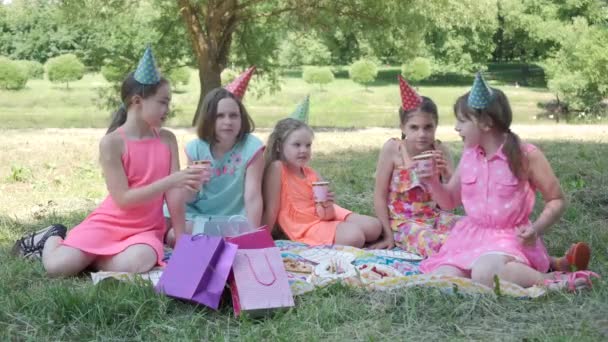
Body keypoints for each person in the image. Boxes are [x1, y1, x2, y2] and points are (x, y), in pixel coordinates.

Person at [12, 47, 203, 277]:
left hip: (145, 229)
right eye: (163, 102)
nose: (167, 109)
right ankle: (53, 235)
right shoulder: (112, 143)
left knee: (140, 260)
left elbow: (173, 196)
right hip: (108, 223)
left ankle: (88, 258)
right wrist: (171, 180)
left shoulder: (167, 139)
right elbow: (123, 199)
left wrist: (182, 241)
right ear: (137, 101)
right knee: (56, 268)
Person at [419, 73, 598, 291]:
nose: (456, 127)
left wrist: (537, 229)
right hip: (470, 238)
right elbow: (449, 202)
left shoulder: (526, 155)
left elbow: (556, 200)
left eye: (462, 120)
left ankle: (553, 282)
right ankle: (553, 266)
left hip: (510, 239)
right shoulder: (470, 154)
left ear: (486, 123)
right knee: (441, 279)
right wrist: (432, 182)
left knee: (485, 273)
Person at [163, 84, 264, 243]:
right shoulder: (196, 148)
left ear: (241, 118)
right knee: (166, 226)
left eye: (233, 115)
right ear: (209, 119)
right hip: (198, 214)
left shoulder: (251, 148)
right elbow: (190, 198)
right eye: (220, 116)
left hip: (231, 218)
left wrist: (252, 236)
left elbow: (253, 196)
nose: (228, 121)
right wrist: (194, 184)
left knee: (175, 237)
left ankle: (214, 240)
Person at [372, 75, 459, 254]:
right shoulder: (393, 149)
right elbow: (379, 196)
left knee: (473, 229)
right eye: (414, 127)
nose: (422, 134)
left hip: (435, 217)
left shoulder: (440, 149)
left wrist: (448, 174)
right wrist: (387, 235)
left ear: (436, 126)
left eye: (428, 127)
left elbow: (451, 203)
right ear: (403, 127)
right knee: (438, 244)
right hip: (403, 223)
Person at [262, 118, 382, 247]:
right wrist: (261, 237)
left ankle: (340, 231)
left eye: (308, 145)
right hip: (304, 224)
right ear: (279, 146)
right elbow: (271, 209)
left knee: (374, 227)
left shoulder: (311, 173)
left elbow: (327, 215)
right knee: (355, 237)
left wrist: (327, 205)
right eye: (297, 145)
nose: (303, 150)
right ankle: (341, 231)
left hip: (322, 215)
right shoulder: (278, 168)